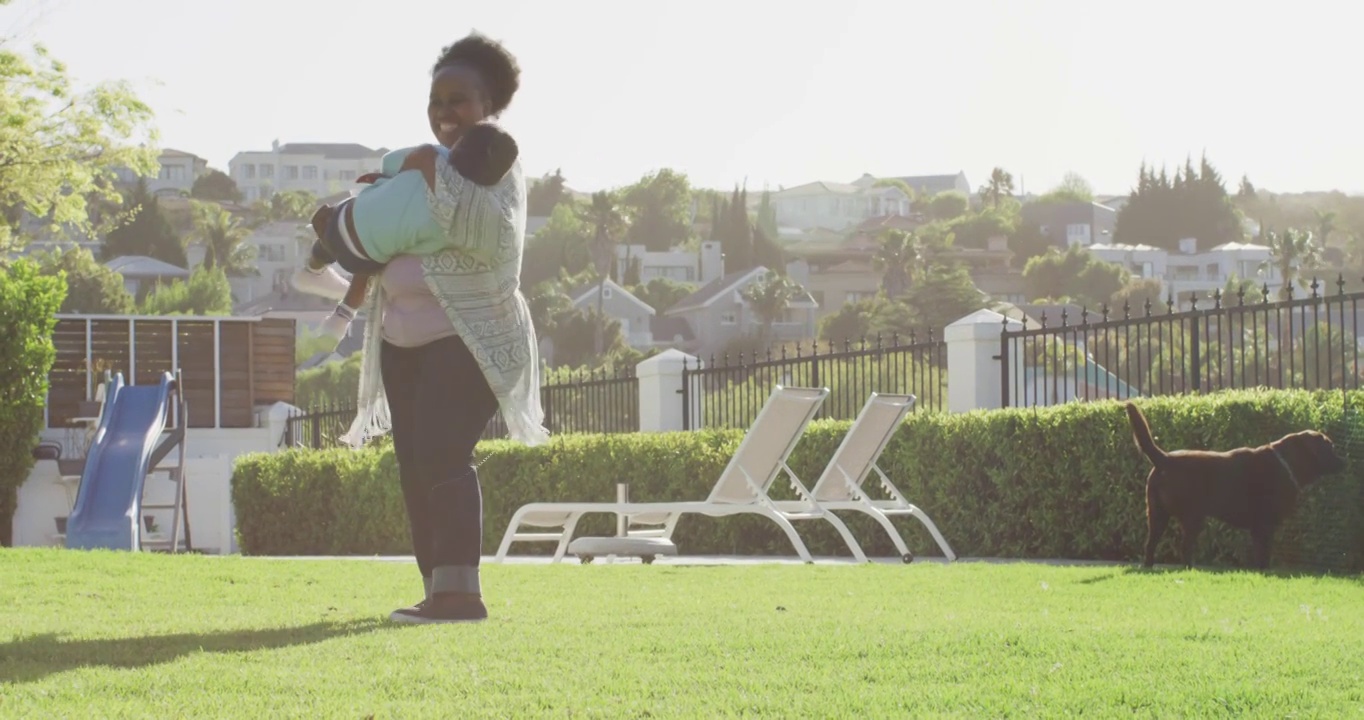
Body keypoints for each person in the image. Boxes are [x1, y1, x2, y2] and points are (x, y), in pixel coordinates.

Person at [340, 31, 548, 624]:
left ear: (488, 107)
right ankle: (437, 587)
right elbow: (387, 229)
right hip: (401, 343)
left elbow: (490, 234)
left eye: (458, 100)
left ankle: (461, 595)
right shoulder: (425, 165)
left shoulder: (493, 162)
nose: (445, 113)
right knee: (413, 462)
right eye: (436, 102)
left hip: (469, 340)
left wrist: (427, 166)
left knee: (441, 453)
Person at [291, 122, 521, 347]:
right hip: (359, 257)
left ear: (460, 142)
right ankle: (341, 319)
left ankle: (312, 269)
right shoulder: (463, 217)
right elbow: (421, 248)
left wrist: (397, 180)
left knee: (360, 220)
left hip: (340, 218)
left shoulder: (434, 155)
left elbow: (389, 161)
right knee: (379, 257)